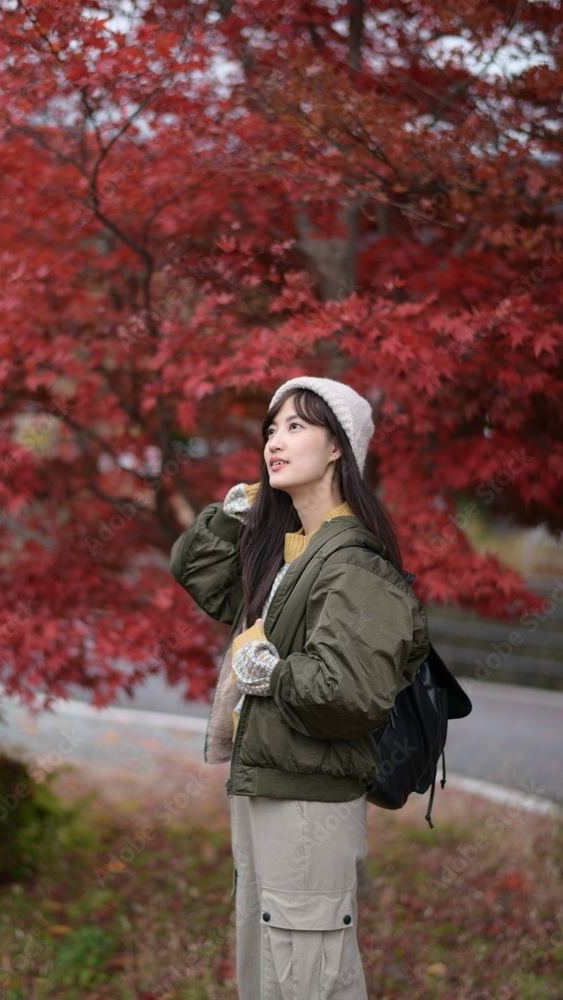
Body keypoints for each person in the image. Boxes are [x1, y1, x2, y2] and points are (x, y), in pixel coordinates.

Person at [170, 376, 429, 1000]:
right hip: (266, 783)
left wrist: (266, 669)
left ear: (337, 447)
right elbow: (197, 571)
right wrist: (236, 511)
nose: (273, 442)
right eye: (270, 429)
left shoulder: (354, 564)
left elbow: (351, 694)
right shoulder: (290, 554)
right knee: (266, 969)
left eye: (295, 426)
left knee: (309, 976)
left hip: (308, 802)